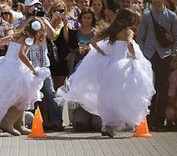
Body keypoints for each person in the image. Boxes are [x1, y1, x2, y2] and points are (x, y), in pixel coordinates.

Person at [57, 9, 155, 137]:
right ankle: (117, 123)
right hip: (123, 65)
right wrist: (134, 56)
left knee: (109, 96)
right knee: (125, 95)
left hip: (110, 65)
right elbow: (130, 43)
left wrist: (101, 51)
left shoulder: (111, 30)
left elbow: (93, 41)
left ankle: (108, 125)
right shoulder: (128, 31)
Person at [136, 0, 177, 131]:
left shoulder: (171, 16)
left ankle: (160, 122)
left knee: (163, 89)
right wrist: (142, 55)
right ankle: (149, 122)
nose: (156, 0)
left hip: (165, 56)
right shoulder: (147, 15)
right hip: (149, 56)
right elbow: (140, 37)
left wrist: (173, 54)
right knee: (150, 89)